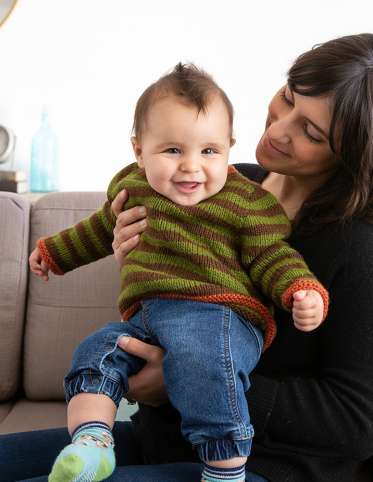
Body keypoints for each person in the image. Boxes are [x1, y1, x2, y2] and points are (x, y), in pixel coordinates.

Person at [1, 32, 373, 482]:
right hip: (158, 438)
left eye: (310, 132)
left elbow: (356, 422)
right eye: (287, 98)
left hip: (267, 465)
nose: (278, 129)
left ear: (350, 154)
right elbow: (121, 246)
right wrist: (141, 263)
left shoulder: (356, 245)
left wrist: (186, 377)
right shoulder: (217, 182)